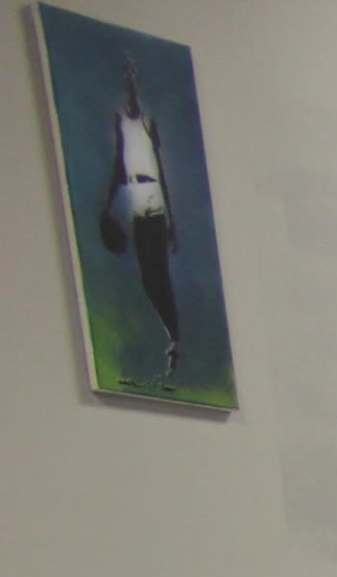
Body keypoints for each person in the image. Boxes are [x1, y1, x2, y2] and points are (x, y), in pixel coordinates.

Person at [95, 55, 180, 377]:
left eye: (133, 81)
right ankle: (166, 338)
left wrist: (172, 219)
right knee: (148, 275)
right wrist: (108, 205)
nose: (129, 89)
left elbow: (161, 171)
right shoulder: (120, 122)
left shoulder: (147, 121)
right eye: (125, 81)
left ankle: (174, 340)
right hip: (134, 199)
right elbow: (119, 166)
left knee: (158, 274)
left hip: (153, 196)